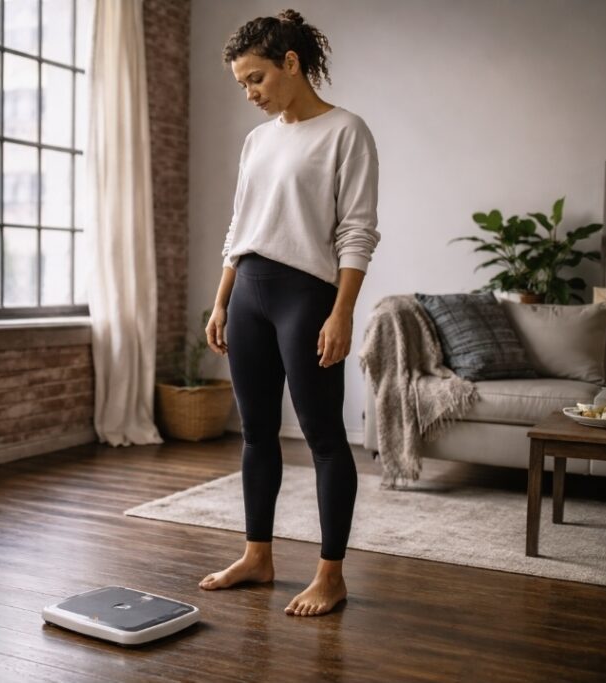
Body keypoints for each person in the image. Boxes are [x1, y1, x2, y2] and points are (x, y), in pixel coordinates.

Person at [199, 9, 380, 618]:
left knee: (324, 438)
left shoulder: (346, 131)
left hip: (307, 298)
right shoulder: (259, 140)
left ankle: (331, 575)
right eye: (242, 85)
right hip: (248, 291)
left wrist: (342, 312)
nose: (250, 93)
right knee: (256, 434)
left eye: (255, 78)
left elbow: (357, 231)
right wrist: (222, 299)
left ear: (291, 64)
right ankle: (258, 555)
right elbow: (240, 225)